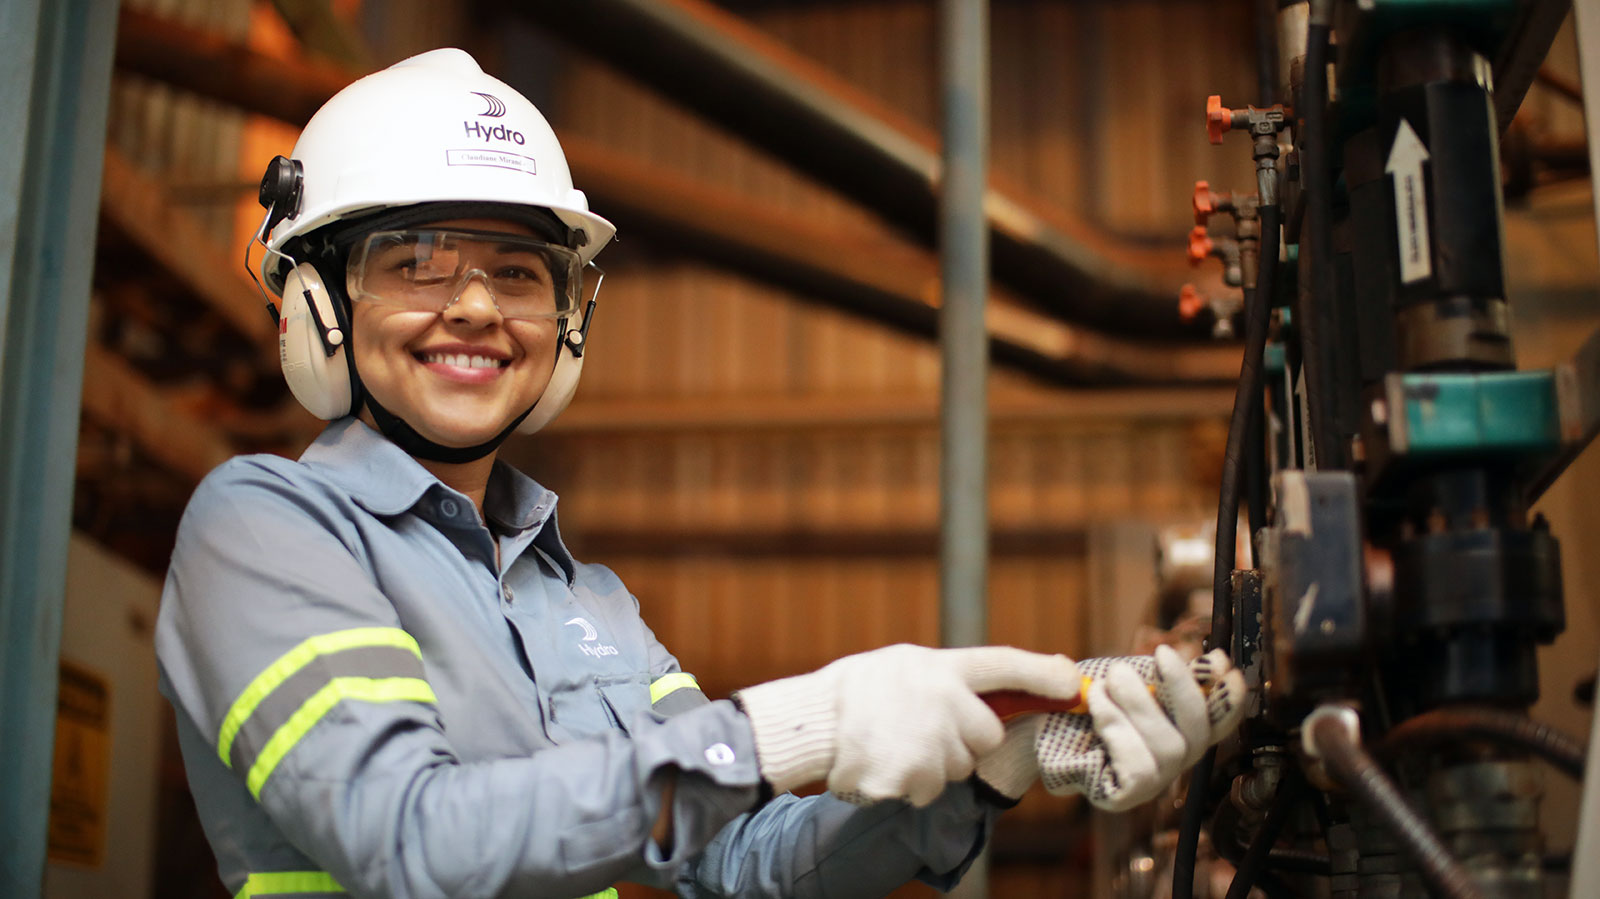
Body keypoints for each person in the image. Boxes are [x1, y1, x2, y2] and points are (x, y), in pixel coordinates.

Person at [155, 49, 1247, 899]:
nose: (478, 306)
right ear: (314, 304)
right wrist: (794, 724)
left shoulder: (587, 600)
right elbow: (409, 837)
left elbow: (744, 865)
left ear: (566, 319)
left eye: (517, 271)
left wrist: (994, 758)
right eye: (415, 262)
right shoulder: (264, 527)